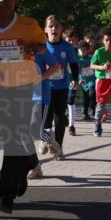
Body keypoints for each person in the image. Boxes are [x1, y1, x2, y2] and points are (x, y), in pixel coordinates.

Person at [0, 0, 47, 214]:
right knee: (13, 136)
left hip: (22, 85)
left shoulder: (28, 24)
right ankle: (27, 165)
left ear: (15, 0)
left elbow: (42, 46)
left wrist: (34, 48)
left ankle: (6, 196)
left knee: (13, 136)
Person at [41, 16, 79, 160]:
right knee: (46, 119)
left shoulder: (66, 47)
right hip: (45, 88)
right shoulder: (42, 46)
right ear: (45, 30)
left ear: (61, 29)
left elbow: (74, 64)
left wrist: (75, 78)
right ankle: (46, 140)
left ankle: (59, 148)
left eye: (57, 26)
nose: (54, 29)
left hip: (61, 88)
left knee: (59, 119)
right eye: (50, 26)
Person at [28, 43, 61, 179]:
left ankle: (50, 138)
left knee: (34, 131)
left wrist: (39, 78)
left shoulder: (40, 49)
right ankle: (35, 168)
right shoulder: (10, 45)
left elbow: (56, 66)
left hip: (39, 94)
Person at [77, 39, 96, 123]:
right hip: (84, 81)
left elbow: (96, 67)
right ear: (78, 50)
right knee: (86, 98)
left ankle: (94, 110)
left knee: (92, 94)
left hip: (92, 80)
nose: (83, 51)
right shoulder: (77, 60)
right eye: (81, 50)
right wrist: (79, 79)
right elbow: (75, 71)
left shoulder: (91, 58)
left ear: (88, 50)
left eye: (84, 50)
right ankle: (85, 112)